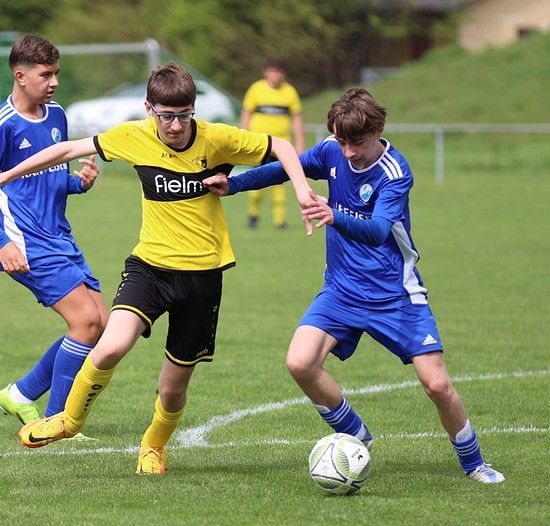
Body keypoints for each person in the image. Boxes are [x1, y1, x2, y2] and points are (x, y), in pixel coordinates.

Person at [0, 63, 317, 475]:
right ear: (150, 109)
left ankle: (153, 446)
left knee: (172, 387)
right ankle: (68, 420)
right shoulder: (134, 135)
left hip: (203, 276)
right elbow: (65, 150)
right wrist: (1, 175)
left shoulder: (217, 138)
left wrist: (303, 191)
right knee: (110, 344)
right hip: (149, 267)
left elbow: (283, 147)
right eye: (166, 115)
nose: (176, 125)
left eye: (184, 115)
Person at [202, 87, 505, 484]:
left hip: (395, 295)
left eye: (356, 143)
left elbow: (379, 230)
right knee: (300, 362)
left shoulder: (395, 172)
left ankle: (474, 462)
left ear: (378, 129)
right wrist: (236, 184)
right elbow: (285, 166)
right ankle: (356, 433)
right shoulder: (331, 150)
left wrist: (332, 213)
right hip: (342, 291)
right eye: (341, 141)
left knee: (436, 384)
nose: (347, 152)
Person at [0, 34, 107, 430]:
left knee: (102, 324)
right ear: (20, 76)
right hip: (25, 242)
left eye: (57, 72)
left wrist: (79, 183)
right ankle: (56, 423)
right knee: (86, 323)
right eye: (45, 74)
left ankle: (20, 394)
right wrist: (0, 242)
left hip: (61, 237)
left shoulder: (56, 115)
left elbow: (47, 179)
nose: (54, 81)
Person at [240, 57, 304, 229]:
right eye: (272, 70)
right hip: (258, 144)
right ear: (266, 72)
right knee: (255, 180)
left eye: (279, 71)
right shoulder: (256, 89)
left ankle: (279, 220)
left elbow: (296, 119)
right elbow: (246, 114)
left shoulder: (290, 92)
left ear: (284, 74)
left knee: (279, 183)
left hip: (281, 146)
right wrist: (242, 138)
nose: (275, 75)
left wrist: (299, 144)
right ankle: (253, 215)